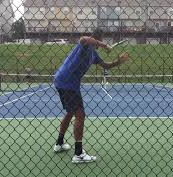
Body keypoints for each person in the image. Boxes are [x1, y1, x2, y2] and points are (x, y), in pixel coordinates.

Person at [53, 28, 130, 163]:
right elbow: (84, 39)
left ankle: (59, 143)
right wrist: (104, 45)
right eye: (100, 40)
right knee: (80, 114)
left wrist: (119, 61)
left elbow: (106, 65)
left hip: (63, 81)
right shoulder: (85, 46)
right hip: (68, 82)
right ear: (96, 39)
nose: (102, 43)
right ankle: (78, 154)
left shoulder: (93, 54)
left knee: (70, 112)